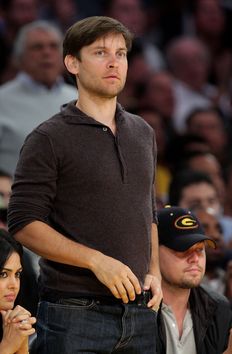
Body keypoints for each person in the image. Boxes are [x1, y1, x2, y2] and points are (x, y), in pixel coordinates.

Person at [8, 16, 162, 353]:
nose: (113, 62)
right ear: (72, 63)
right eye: (100, 52)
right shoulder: (48, 137)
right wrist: (95, 260)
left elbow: (147, 211)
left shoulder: (143, 132)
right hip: (73, 312)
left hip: (140, 311)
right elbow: (23, 222)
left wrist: (155, 271)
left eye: (121, 53)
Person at [0, 20, 77, 176]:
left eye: (53, 46)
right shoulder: (2, 99)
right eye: (37, 47)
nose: (47, 53)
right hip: (16, 197)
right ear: (19, 58)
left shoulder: (78, 97)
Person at [156, 205, 232, 354]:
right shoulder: (136, 312)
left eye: (200, 249)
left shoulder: (218, 310)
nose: (194, 258)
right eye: (182, 249)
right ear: (154, 251)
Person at [0, 229, 36, 353]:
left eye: (17, 274)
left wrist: (21, 345)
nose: (14, 285)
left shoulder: (11, 322)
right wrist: (7, 346)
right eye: (3, 274)